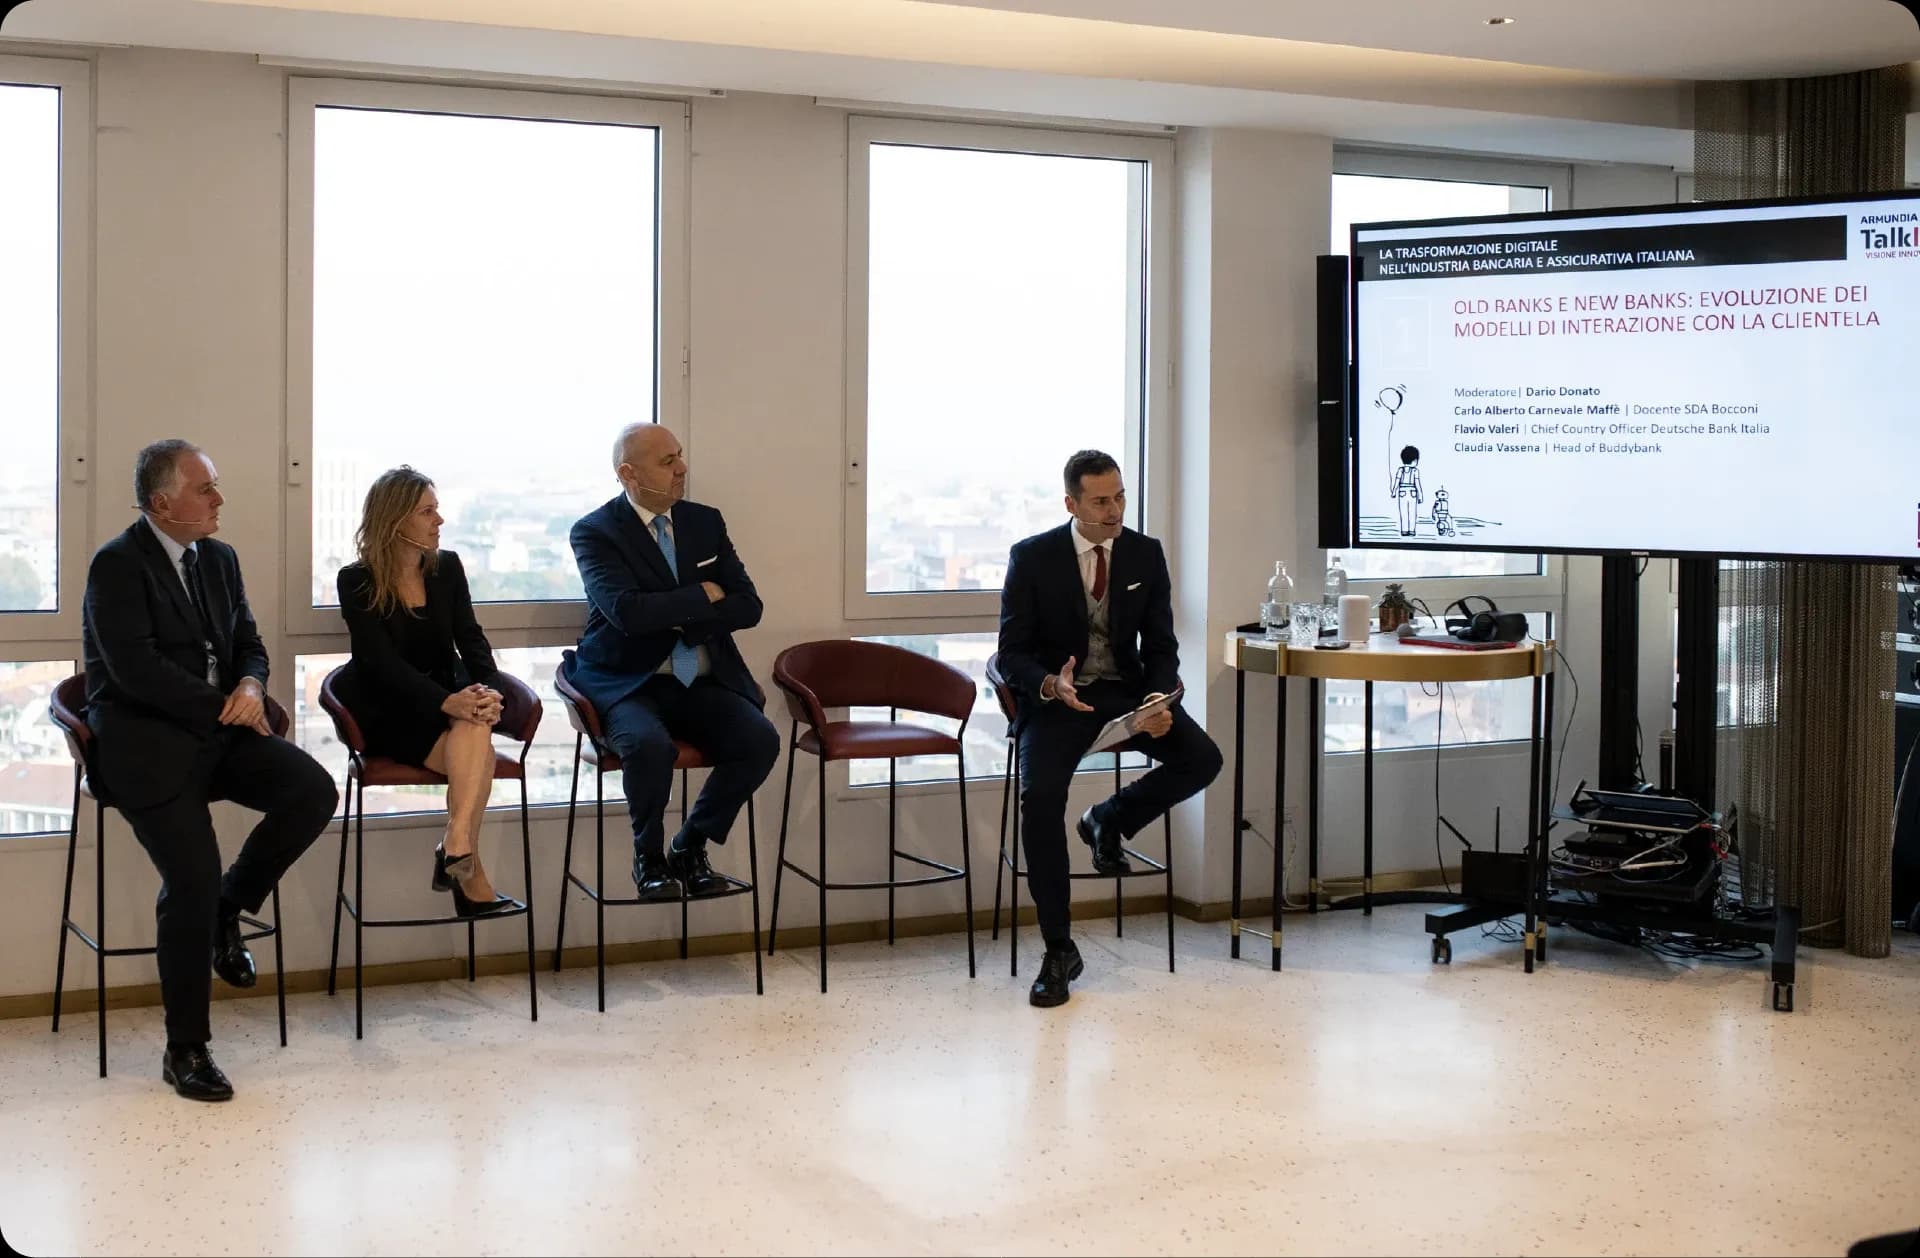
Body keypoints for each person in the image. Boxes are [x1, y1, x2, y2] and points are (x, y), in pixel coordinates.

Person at [81, 439, 337, 1101]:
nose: (220, 499)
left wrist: (251, 685)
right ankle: (186, 1049)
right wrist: (228, 706)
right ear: (162, 503)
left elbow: (249, 642)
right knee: (190, 879)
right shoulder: (117, 565)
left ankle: (230, 905)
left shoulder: (219, 559)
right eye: (205, 488)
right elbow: (136, 672)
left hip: (218, 735)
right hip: (147, 746)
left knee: (312, 790)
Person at [997, 449, 1222, 1008]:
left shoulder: (1145, 553)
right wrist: (1050, 684)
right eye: (1101, 501)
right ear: (1071, 504)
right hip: (1058, 702)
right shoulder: (1032, 557)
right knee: (1039, 800)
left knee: (1203, 758)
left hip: (1126, 693)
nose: (1115, 509)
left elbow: (1162, 645)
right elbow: (1011, 653)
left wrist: (1157, 698)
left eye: (1120, 496)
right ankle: (1059, 948)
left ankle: (1109, 818)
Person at [565, 423, 778, 903]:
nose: (682, 468)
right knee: (647, 746)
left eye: (679, 455)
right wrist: (703, 594)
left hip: (698, 680)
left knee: (759, 740)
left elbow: (748, 606)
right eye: (667, 462)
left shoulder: (705, 522)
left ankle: (689, 846)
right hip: (628, 682)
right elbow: (627, 613)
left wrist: (678, 616)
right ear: (628, 473)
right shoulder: (596, 532)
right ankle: (648, 859)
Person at [334, 466, 517, 918]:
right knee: (476, 744)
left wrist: (490, 691)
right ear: (395, 519)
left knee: (476, 720)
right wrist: (448, 701)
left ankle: (456, 846)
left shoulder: (446, 567)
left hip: (443, 694)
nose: (440, 520)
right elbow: (380, 663)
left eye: (437, 509)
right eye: (427, 511)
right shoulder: (355, 580)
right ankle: (466, 870)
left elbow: (471, 639)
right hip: (385, 707)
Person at [1392, 445, 1423, 536]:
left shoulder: (1400, 470)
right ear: (1414, 460)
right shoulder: (1415, 471)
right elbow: (1417, 484)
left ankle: (1404, 531)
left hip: (1402, 492)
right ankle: (1412, 530)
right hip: (1413, 492)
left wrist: (1394, 491)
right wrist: (1420, 495)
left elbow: (1397, 481)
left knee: (1403, 512)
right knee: (1412, 512)